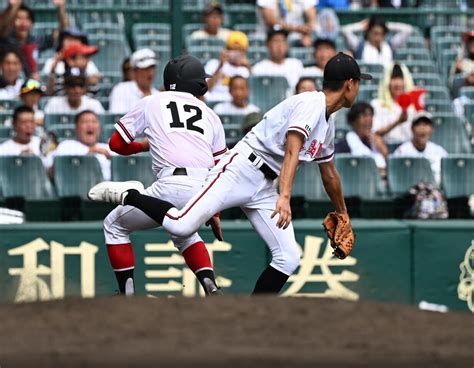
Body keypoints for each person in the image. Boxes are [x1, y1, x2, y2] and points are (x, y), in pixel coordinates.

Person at [88, 52, 371, 294]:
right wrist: (285, 197)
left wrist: (343, 213)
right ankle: (130, 194)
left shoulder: (327, 121)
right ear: (350, 83)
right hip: (242, 167)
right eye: (358, 83)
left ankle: (254, 318)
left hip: (264, 184)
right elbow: (292, 147)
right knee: (181, 227)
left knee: (288, 258)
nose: (358, 88)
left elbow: (330, 173)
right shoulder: (311, 103)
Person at [87, 55, 227, 296]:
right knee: (183, 232)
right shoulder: (211, 114)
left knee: (114, 225)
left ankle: (127, 293)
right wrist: (215, 211)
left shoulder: (152, 102)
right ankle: (210, 285)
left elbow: (116, 144)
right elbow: (221, 167)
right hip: (205, 189)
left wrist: (143, 146)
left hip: (171, 184)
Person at [0, 0, 70, 78]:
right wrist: (14, 6)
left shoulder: (35, 42)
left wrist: (60, 7)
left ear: (32, 23)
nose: (23, 23)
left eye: (27, 19)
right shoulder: (5, 41)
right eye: (18, 18)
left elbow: (64, 32)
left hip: (31, 86)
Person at [51, 110, 113, 180]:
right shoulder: (66, 146)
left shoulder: (109, 148)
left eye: (94, 122)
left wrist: (114, 160)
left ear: (99, 128)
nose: (90, 125)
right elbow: (54, 172)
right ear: (76, 128)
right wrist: (89, 152)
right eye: (85, 122)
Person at [393, 113, 448, 186]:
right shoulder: (402, 151)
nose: (422, 128)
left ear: (431, 129)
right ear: (412, 129)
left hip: (435, 190)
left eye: (426, 124)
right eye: (418, 125)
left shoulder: (439, 151)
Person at [371, 63, 416, 147]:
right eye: (394, 78)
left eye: (401, 79)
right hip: (385, 148)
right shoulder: (376, 105)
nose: (398, 83)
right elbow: (375, 133)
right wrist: (398, 121)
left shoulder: (413, 106)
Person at [341, 16, 412, 67]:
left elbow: (408, 30)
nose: (378, 38)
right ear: (368, 33)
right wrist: (362, 25)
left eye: (381, 34)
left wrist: (386, 25)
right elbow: (345, 30)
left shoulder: (390, 45)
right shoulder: (359, 46)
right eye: (375, 33)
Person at [335, 102, 387, 170]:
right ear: (353, 120)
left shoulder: (376, 142)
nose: (368, 119)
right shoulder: (343, 146)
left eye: (370, 115)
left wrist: (383, 149)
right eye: (364, 115)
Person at [252, 26, 304, 92]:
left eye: (282, 41)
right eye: (275, 41)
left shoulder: (296, 64)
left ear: (287, 45)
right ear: (268, 45)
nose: (279, 45)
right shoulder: (259, 68)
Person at [205, 31, 251, 103]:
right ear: (226, 49)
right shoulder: (213, 64)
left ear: (245, 52)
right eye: (232, 49)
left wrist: (248, 67)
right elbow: (205, 89)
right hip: (213, 102)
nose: (236, 54)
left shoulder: (245, 70)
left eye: (239, 50)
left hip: (234, 104)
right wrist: (220, 66)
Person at [109, 48, 158, 114]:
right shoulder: (121, 90)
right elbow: (118, 118)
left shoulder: (158, 94)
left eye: (152, 68)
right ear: (134, 71)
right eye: (145, 69)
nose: (150, 73)